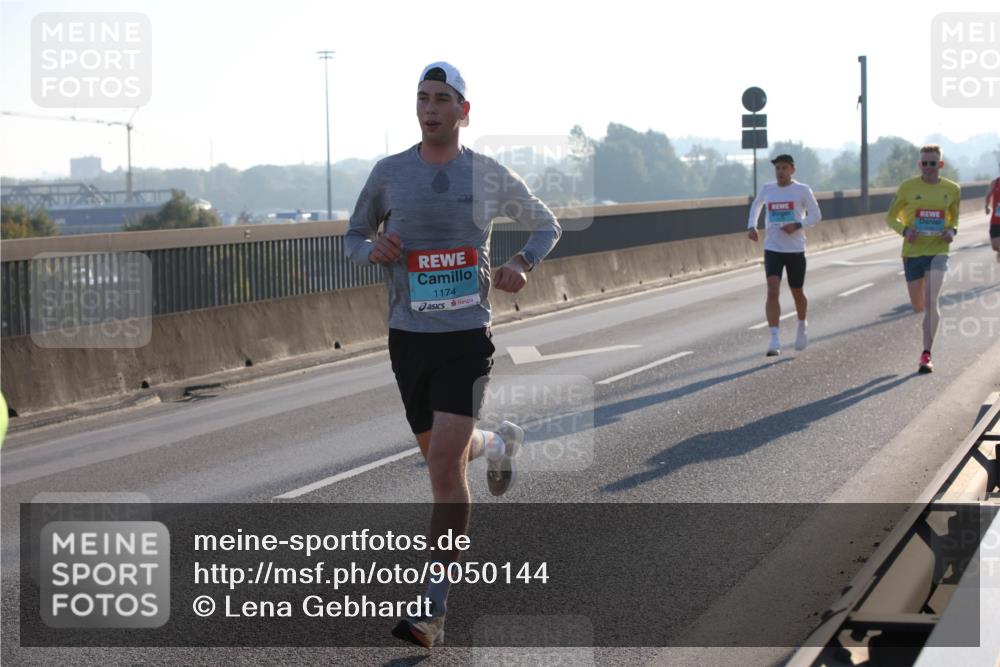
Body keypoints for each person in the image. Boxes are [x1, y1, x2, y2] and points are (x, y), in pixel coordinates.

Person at [345, 61, 561, 648]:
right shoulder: (389, 174)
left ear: (464, 111)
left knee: (442, 469)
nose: (430, 108)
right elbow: (353, 236)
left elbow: (546, 225)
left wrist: (521, 262)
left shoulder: (485, 174)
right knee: (447, 455)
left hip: (466, 337)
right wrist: (373, 249)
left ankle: (432, 610)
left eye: (442, 98)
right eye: (423, 98)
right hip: (409, 338)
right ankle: (500, 443)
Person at [885, 144, 960, 373]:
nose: (928, 167)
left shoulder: (952, 189)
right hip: (912, 253)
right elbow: (890, 217)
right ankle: (925, 346)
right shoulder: (908, 187)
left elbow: (954, 218)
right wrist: (905, 231)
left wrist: (951, 231)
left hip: (938, 251)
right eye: (924, 163)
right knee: (918, 306)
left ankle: (926, 354)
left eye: (932, 163)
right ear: (919, 164)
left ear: (940, 164)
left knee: (930, 302)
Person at [747, 154, 822, 356]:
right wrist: (752, 225)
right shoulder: (768, 189)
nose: (780, 172)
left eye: (784, 168)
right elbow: (756, 204)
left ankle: (802, 324)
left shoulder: (802, 190)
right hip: (773, 248)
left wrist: (797, 225)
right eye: (777, 168)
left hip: (795, 249)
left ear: (792, 170)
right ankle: (774, 338)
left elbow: (816, 215)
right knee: (772, 290)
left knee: (797, 291)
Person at [986, 166, 1000, 263]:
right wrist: (986, 206)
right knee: (995, 246)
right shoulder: (995, 182)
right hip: (995, 220)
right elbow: (988, 194)